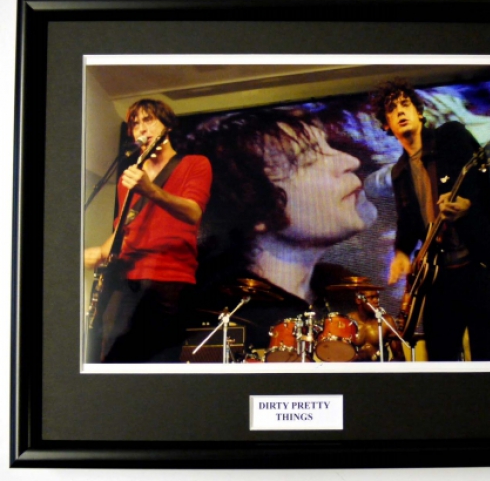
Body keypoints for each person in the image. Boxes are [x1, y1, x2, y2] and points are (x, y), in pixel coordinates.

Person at [194, 108, 378, 357]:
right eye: (309, 159)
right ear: (255, 202)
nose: (351, 161)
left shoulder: (341, 291)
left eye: (329, 147)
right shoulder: (225, 315)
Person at [370, 78, 490, 361]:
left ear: (419, 112)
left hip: (480, 266)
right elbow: (408, 221)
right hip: (440, 276)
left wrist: (468, 204)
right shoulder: (399, 172)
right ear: (386, 125)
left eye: (405, 104)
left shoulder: (452, 137)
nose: (400, 111)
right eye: (392, 109)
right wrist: (401, 252)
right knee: (440, 356)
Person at [84, 99, 212, 363]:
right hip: (126, 280)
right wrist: (100, 252)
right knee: (109, 361)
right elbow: (125, 228)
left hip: (169, 280)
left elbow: (193, 212)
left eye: (148, 119)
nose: (141, 128)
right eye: (135, 124)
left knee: (158, 362)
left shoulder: (195, 164)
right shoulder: (128, 178)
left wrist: (150, 190)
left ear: (167, 126)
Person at [345, 285, 406, 362]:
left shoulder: (385, 321)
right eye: (372, 297)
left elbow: (400, 356)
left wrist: (386, 367)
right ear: (358, 300)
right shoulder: (348, 321)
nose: (376, 301)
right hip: (354, 368)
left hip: (380, 368)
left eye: (377, 297)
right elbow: (339, 355)